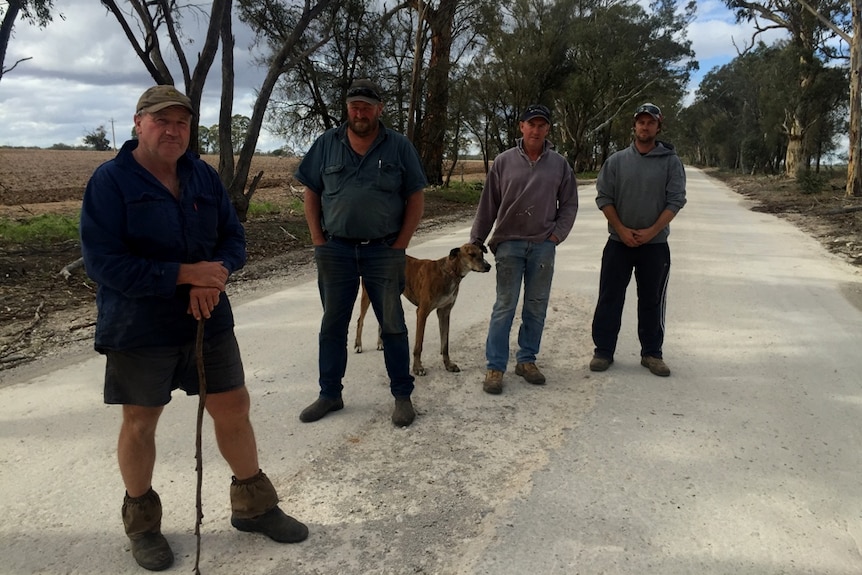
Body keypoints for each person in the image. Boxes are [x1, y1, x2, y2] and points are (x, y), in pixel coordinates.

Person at [80, 85, 308, 572]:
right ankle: (142, 523)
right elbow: (103, 263)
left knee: (233, 406)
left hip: (209, 318)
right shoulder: (111, 182)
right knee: (141, 421)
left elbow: (233, 238)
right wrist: (186, 275)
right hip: (140, 325)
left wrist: (216, 274)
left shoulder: (202, 177)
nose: (172, 129)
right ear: (138, 123)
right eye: (161, 120)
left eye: (181, 122)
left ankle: (254, 506)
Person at [295, 78, 427, 426]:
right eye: (354, 105)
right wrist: (318, 240)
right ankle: (330, 394)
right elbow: (311, 192)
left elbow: (415, 196)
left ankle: (402, 396)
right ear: (347, 108)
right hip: (335, 250)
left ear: (379, 109)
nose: (360, 111)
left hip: (383, 250)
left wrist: (401, 245)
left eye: (367, 106)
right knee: (333, 325)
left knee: (393, 324)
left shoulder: (398, 146)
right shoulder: (326, 144)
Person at [470, 104, 579, 395]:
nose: (536, 130)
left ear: (548, 130)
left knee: (536, 305)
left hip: (543, 246)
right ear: (521, 126)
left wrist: (556, 236)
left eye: (542, 125)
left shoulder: (559, 164)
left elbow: (569, 204)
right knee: (504, 306)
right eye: (531, 124)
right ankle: (495, 366)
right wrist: (477, 240)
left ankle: (527, 360)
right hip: (508, 244)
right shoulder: (504, 162)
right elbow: (488, 205)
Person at [589, 102, 687, 377]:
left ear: (658, 126)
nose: (645, 127)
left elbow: (676, 200)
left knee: (652, 299)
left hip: (654, 246)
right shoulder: (617, 161)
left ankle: (652, 353)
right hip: (618, 243)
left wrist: (652, 231)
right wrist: (620, 229)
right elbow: (604, 198)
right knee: (610, 297)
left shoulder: (671, 162)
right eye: (641, 122)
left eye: (651, 122)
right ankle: (603, 351)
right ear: (634, 126)